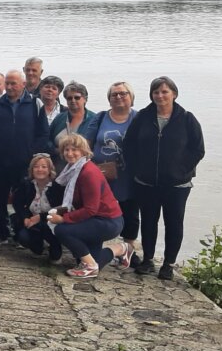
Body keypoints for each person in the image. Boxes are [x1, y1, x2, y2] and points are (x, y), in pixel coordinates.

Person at [123, 76, 205, 280]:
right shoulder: (142, 117)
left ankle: (168, 264)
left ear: (174, 94)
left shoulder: (187, 119)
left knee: (174, 223)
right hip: (146, 182)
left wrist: (181, 170)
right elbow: (129, 145)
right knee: (149, 221)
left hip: (177, 184)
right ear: (151, 95)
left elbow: (198, 150)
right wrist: (137, 169)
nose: (160, 95)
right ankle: (148, 259)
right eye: (156, 92)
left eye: (164, 92)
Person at [0, 69, 51, 245]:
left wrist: (32, 153)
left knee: (22, 198)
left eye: (13, 83)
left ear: (23, 84)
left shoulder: (35, 104)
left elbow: (43, 133)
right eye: (8, 83)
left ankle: (20, 233)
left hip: (24, 162)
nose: (10, 87)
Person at [47, 134, 131, 279]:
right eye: (66, 150)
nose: (70, 153)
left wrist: (63, 219)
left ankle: (90, 267)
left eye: (75, 150)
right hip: (95, 219)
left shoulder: (88, 173)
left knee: (62, 230)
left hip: (107, 221)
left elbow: (90, 209)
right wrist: (61, 209)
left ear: (84, 151)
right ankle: (121, 249)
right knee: (91, 258)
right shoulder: (73, 169)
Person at [81, 82, 139, 265]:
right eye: (114, 94)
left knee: (130, 211)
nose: (119, 97)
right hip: (102, 174)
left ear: (131, 97)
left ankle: (129, 249)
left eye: (123, 93)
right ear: (109, 99)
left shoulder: (138, 118)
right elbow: (86, 143)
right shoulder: (100, 117)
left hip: (129, 174)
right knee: (100, 210)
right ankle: (96, 245)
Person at [11, 154, 64, 262]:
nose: (40, 170)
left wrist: (41, 217)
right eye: (36, 166)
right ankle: (38, 247)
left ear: (50, 169)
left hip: (51, 221)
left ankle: (55, 247)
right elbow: (18, 203)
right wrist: (25, 217)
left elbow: (62, 208)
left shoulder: (57, 187)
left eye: (44, 167)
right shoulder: (27, 184)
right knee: (23, 237)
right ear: (32, 169)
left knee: (55, 257)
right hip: (32, 220)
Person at [50, 81, 96, 160]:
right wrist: (57, 150)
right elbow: (47, 139)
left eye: (77, 97)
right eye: (69, 98)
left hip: (84, 164)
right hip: (59, 164)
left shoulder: (94, 119)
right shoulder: (59, 118)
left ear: (85, 99)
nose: (73, 100)